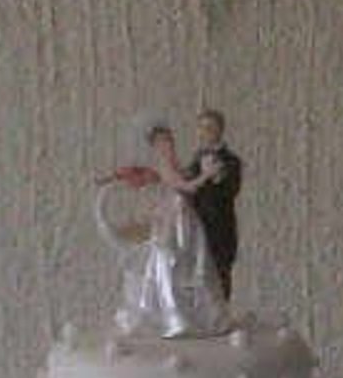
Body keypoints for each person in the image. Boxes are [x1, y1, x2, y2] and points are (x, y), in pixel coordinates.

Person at [95, 122, 231, 338]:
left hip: (184, 217)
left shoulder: (173, 164)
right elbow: (187, 187)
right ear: (156, 146)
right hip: (175, 220)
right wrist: (206, 175)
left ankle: (198, 314)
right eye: (164, 142)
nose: (170, 144)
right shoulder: (165, 166)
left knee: (192, 262)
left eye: (170, 140)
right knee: (172, 261)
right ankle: (175, 317)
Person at [186, 109, 242, 301]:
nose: (205, 132)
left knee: (220, 273)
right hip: (197, 226)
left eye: (209, 127)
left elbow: (231, 190)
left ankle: (221, 311)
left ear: (220, 130)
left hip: (220, 227)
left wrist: (216, 177)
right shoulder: (195, 161)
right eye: (201, 128)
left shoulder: (231, 162)